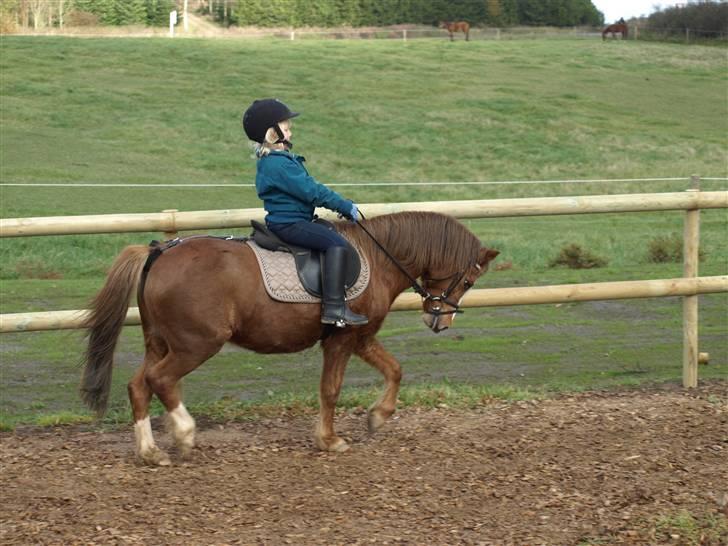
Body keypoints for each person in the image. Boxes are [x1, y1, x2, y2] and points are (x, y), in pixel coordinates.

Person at [242, 98, 368, 327]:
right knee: (336, 244)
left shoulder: (276, 161)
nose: (290, 133)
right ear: (272, 133)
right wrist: (344, 206)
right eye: (287, 129)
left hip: (292, 220)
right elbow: (312, 192)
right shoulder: (278, 165)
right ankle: (334, 308)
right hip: (290, 224)